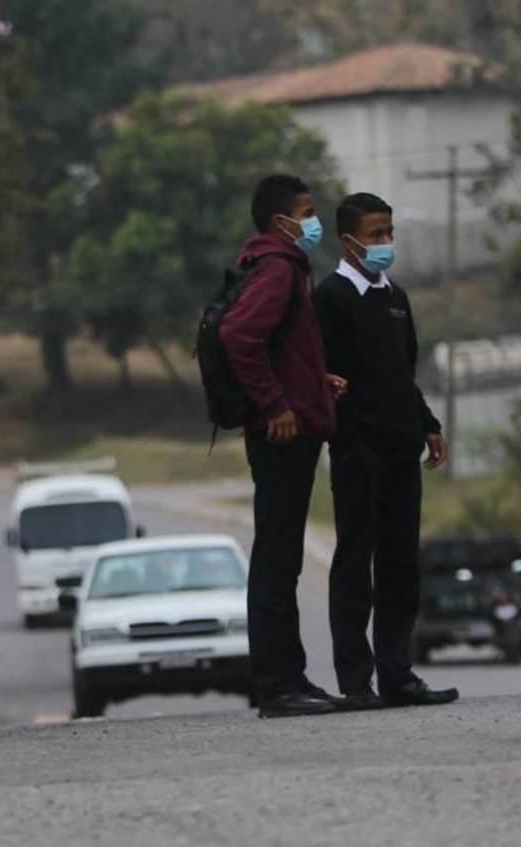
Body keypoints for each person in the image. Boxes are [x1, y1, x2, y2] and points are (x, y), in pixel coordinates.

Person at [313, 192, 458, 709]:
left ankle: (398, 673)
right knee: (356, 563)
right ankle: (356, 680)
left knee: (401, 564)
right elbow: (323, 376)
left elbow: (403, 373)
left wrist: (428, 424)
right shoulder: (330, 297)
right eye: (375, 235)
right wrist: (348, 436)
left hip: (401, 449)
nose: (385, 243)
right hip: (358, 451)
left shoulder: (395, 297)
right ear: (348, 241)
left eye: (389, 233)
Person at [220, 174, 342, 718]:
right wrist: (276, 405)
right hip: (282, 436)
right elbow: (239, 336)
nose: (314, 222)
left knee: (283, 557)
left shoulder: (279, 266)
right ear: (280, 221)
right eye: (306, 212)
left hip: (293, 427)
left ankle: (291, 676)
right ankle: (276, 684)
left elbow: (282, 349)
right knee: (275, 559)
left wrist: (316, 382)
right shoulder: (277, 270)